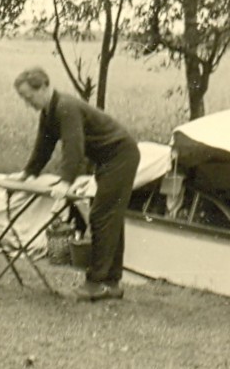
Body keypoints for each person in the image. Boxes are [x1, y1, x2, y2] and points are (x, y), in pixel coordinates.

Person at [13, 67, 140, 301]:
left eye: (29, 97)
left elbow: (74, 147)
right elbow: (43, 147)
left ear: (43, 87)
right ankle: (111, 283)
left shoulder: (66, 108)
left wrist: (65, 182)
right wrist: (27, 173)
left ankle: (96, 283)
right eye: (23, 99)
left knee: (102, 216)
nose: (27, 103)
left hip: (121, 156)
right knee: (110, 217)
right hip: (107, 160)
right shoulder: (49, 113)